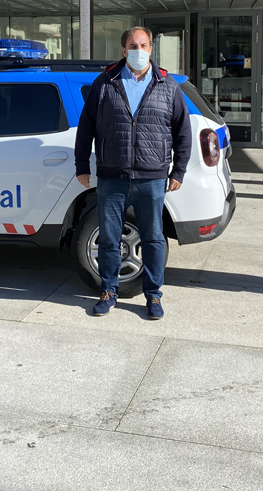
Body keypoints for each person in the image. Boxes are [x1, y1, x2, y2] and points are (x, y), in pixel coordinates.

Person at [74, 27, 192, 320]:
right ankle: (108, 291)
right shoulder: (105, 82)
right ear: (124, 50)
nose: (138, 50)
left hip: (151, 177)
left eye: (143, 44)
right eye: (132, 45)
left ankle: (153, 296)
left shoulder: (167, 84)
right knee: (110, 239)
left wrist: (178, 170)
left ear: (151, 48)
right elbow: (86, 127)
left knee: (153, 238)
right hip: (112, 175)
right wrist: (81, 165)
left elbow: (183, 133)